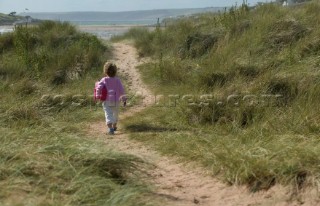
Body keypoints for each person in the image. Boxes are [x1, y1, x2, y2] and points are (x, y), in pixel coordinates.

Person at [96, 62, 126, 135]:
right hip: (116, 101)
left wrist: (97, 95)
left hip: (107, 100)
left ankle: (110, 129)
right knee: (115, 114)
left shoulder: (104, 80)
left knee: (108, 114)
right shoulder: (117, 80)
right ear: (115, 71)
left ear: (105, 71)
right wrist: (124, 98)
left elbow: (99, 88)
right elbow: (122, 90)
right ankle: (114, 126)